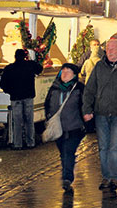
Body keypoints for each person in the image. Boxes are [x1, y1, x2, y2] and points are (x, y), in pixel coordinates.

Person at [82, 38, 117, 191]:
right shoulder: (99, 66)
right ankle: (106, 176)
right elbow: (90, 89)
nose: (110, 52)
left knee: (114, 146)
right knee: (103, 147)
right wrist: (87, 109)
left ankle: (113, 177)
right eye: (108, 49)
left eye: (113, 49)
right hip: (101, 112)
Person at [44, 63, 85, 193]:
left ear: (74, 74)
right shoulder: (54, 87)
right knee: (63, 153)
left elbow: (85, 104)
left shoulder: (79, 88)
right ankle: (67, 172)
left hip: (74, 127)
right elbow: (47, 103)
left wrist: (86, 120)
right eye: (63, 71)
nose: (65, 73)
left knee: (68, 151)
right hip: (58, 128)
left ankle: (67, 178)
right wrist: (49, 117)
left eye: (68, 71)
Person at [0, 49, 43, 149]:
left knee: (17, 122)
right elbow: (40, 69)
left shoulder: (9, 68)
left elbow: (2, 84)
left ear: (15, 56)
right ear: (25, 56)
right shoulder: (30, 65)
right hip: (28, 97)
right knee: (29, 121)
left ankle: (17, 144)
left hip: (15, 98)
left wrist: (9, 91)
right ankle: (30, 143)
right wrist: (31, 59)